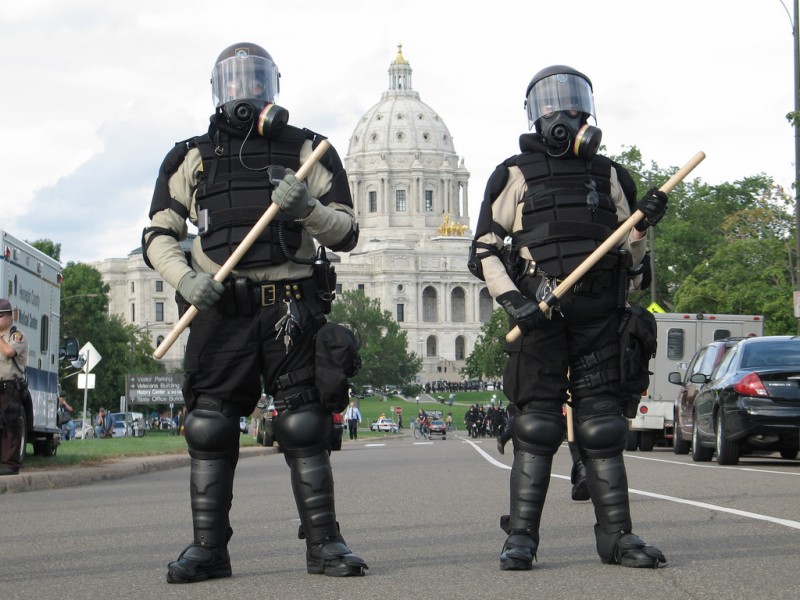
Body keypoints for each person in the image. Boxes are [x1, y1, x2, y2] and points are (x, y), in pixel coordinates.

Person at [142, 42, 366, 583]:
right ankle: (208, 549)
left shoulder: (310, 149)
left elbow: (349, 231)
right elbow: (158, 235)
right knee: (210, 425)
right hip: (221, 307)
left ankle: (324, 544)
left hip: (290, 307)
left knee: (304, 422)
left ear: (273, 87)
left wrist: (306, 210)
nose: (247, 92)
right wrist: (186, 279)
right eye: (236, 82)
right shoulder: (190, 156)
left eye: (257, 81)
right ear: (219, 90)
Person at [468, 65, 667, 570]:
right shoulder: (513, 173)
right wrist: (514, 301)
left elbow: (635, 269)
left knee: (601, 427)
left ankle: (617, 537)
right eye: (553, 103)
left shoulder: (612, 175)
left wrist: (642, 232)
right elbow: (485, 250)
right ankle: (521, 538)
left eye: (574, 101)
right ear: (537, 115)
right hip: (539, 313)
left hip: (601, 315)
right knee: (535, 426)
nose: (565, 112)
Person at [0, 299, 27, 475]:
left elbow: (9, 352)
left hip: (9, 387)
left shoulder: (16, 336)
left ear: (9, 317)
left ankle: (11, 464)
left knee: (11, 424)